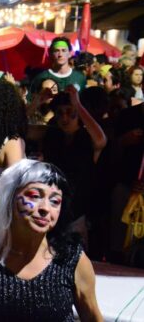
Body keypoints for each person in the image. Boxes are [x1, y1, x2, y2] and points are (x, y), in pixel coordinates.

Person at [0, 160, 102, 322]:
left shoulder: (71, 258)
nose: (45, 208)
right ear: (8, 197)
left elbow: (92, 317)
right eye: (34, 196)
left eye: (55, 201)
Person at [43, 87, 107, 241]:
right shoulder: (52, 134)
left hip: (78, 213)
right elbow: (19, 129)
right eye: (60, 113)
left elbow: (101, 140)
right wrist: (38, 102)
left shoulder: (87, 137)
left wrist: (77, 105)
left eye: (70, 112)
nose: (65, 117)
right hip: (52, 207)